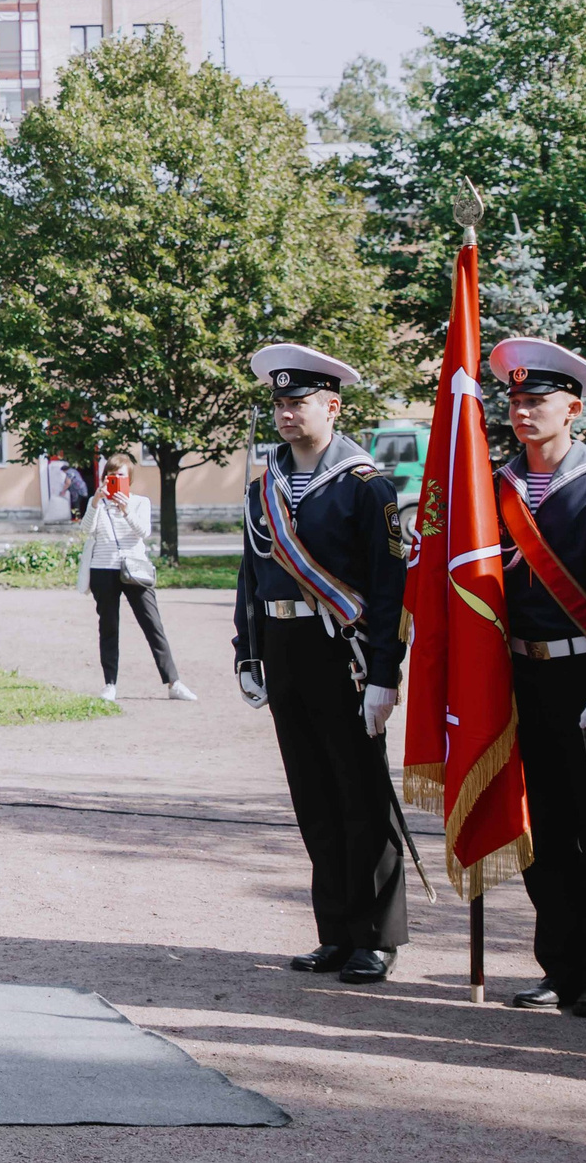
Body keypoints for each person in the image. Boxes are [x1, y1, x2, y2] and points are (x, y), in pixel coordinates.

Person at [232, 342, 410, 985]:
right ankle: (334, 931)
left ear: (332, 406)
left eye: (298, 401)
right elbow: (251, 575)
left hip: (347, 654)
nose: (285, 413)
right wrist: (246, 651)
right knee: (313, 795)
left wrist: (386, 674)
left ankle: (376, 937)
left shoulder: (368, 487)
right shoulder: (265, 487)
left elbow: (391, 589)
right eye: (279, 402)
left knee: (361, 794)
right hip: (283, 650)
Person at [485, 337, 586, 1018]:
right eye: (517, 401)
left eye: (538, 402)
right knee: (539, 827)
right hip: (522, 679)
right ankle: (560, 961)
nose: (524, 412)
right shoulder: (493, 490)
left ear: (574, 409)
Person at [74, 456, 196, 704]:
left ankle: (174, 682)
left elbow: (144, 532)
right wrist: (96, 504)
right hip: (102, 568)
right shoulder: (96, 502)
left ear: (129, 480)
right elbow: (85, 530)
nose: (115, 481)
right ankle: (110, 684)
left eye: (121, 477)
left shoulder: (140, 502)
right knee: (108, 627)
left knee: (153, 625)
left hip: (135, 569)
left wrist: (125, 509)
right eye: (111, 476)